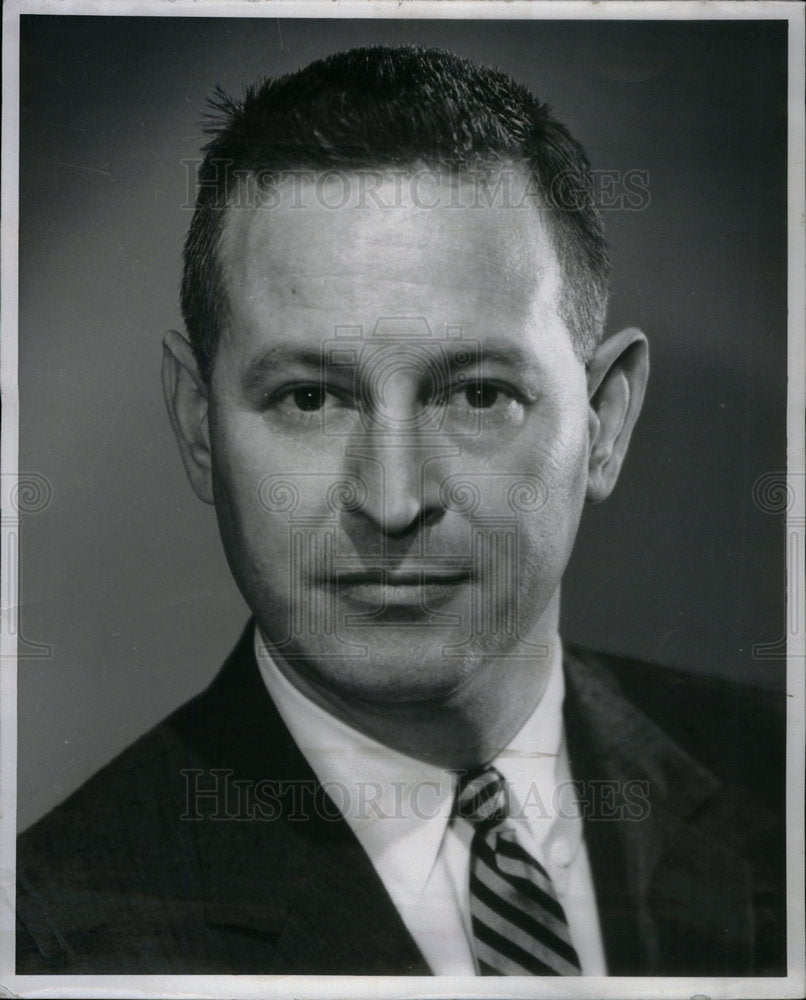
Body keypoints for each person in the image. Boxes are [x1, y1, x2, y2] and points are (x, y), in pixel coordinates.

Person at [16, 45, 785, 977]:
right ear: (197, 425)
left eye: (476, 394)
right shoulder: (52, 936)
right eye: (309, 398)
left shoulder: (779, 786)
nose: (392, 501)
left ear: (605, 421)